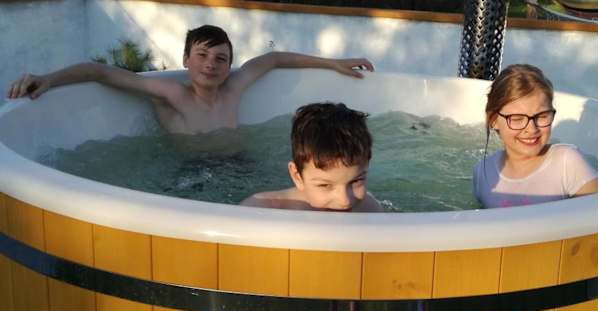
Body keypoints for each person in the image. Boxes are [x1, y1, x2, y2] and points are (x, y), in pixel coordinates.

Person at [6, 25, 374, 135]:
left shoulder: (235, 87)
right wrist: (48, 79)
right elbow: (99, 71)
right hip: (192, 176)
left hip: (238, 167)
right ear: (186, 60)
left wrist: (333, 64)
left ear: (230, 65)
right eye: (202, 55)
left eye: (220, 58)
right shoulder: (170, 93)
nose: (211, 64)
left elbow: (276, 59)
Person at [473, 64, 598, 208]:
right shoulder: (483, 173)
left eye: (542, 116)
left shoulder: (566, 163)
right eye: (517, 119)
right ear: (493, 120)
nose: (531, 129)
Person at [241, 102, 382, 212]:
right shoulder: (263, 209)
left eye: (356, 181)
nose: (344, 200)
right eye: (325, 185)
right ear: (297, 176)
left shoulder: (369, 209)